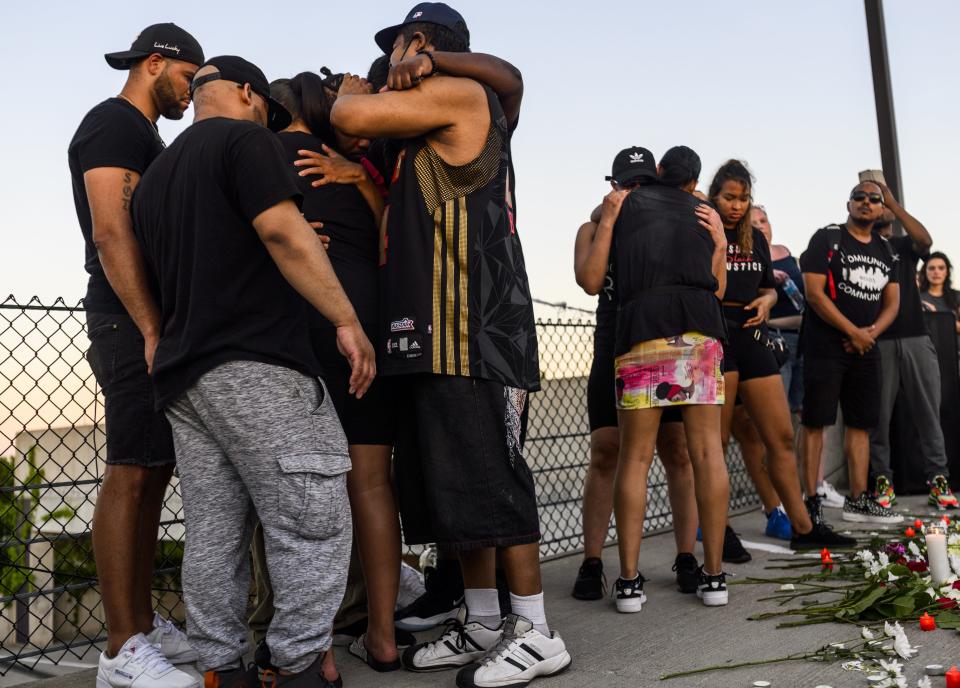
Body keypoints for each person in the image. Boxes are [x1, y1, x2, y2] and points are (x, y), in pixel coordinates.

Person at [330, 5, 570, 687]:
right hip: (426, 333)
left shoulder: (465, 94)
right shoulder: (414, 135)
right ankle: (488, 621)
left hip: (474, 330)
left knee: (492, 479)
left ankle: (534, 631)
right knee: (455, 491)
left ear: (423, 44)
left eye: (398, 46)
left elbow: (349, 117)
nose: (385, 62)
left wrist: (355, 88)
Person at [131, 55, 376, 688]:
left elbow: (207, 255)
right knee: (312, 515)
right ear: (248, 93)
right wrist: (347, 321)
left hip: (188, 375)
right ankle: (297, 667)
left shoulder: (159, 175)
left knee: (216, 532)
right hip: (256, 363)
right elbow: (280, 232)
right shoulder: (248, 140)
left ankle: (219, 668)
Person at [69, 23, 204, 688]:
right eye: (188, 79)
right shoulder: (114, 124)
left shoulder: (146, 136)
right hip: (129, 322)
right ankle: (121, 650)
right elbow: (109, 229)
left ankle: (143, 625)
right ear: (157, 62)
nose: (192, 94)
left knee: (154, 469)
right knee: (130, 468)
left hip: (154, 322)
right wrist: (151, 326)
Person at [270, 71, 403, 673]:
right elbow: (388, 239)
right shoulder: (361, 175)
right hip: (367, 322)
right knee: (372, 484)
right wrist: (363, 183)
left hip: (304, 319)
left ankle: (313, 647)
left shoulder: (265, 152)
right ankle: (382, 635)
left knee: (301, 490)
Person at [570, 146, 712, 602]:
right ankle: (593, 559)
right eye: (625, 184)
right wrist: (607, 217)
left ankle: (687, 555)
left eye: (641, 183)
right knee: (606, 451)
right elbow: (590, 281)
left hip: (660, 338)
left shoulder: (670, 215)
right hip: (616, 343)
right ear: (613, 186)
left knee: (679, 451)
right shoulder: (596, 223)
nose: (633, 192)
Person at [602, 144, 732, 610]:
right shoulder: (704, 211)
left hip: (642, 327)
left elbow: (594, 275)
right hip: (700, 329)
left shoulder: (623, 204)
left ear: (657, 172)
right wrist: (719, 244)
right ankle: (713, 576)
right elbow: (719, 289)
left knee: (634, 459)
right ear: (694, 180)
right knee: (706, 453)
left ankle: (631, 582)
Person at [709, 161, 853, 550]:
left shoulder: (755, 237)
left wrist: (770, 297)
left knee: (781, 436)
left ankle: (804, 529)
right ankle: (716, 530)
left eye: (743, 198)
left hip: (753, 331)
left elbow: (766, 286)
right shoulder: (702, 228)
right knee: (716, 443)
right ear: (714, 195)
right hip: (714, 335)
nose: (737, 206)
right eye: (729, 198)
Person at [799, 181, 903, 526]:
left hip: (865, 347)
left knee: (861, 424)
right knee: (816, 422)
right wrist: (852, 332)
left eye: (875, 199)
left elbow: (893, 301)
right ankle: (810, 500)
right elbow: (814, 294)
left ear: (882, 209)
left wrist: (869, 334)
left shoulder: (886, 250)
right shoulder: (827, 239)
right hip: (826, 347)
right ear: (849, 203)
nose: (866, 202)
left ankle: (858, 501)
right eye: (860, 197)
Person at [868, 191, 957, 510]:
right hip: (878, 339)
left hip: (916, 337)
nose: (874, 205)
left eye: (878, 200)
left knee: (928, 411)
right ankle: (882, 480)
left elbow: (925, 239)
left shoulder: (904, 246)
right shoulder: (862, 246)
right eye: (867, 200)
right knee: (879, 416)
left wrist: (893, 204)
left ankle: (938, 479)